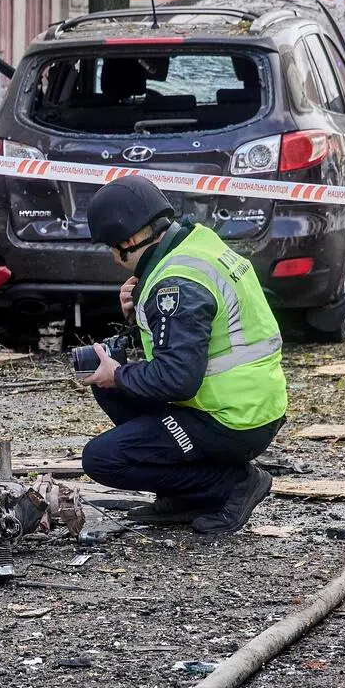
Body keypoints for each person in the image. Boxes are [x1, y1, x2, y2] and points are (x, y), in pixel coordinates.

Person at [79, 175, 287, 535]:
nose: (114, 257)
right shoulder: (197, 244)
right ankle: (184, 494)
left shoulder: (176, 284)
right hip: (252, 401)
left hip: (233, 419)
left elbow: (177, 378)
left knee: (101, 458)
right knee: (110, 385)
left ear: (129, 240)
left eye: (112, 248)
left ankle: (233, 484)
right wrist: (134, 318)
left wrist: (119, 374)